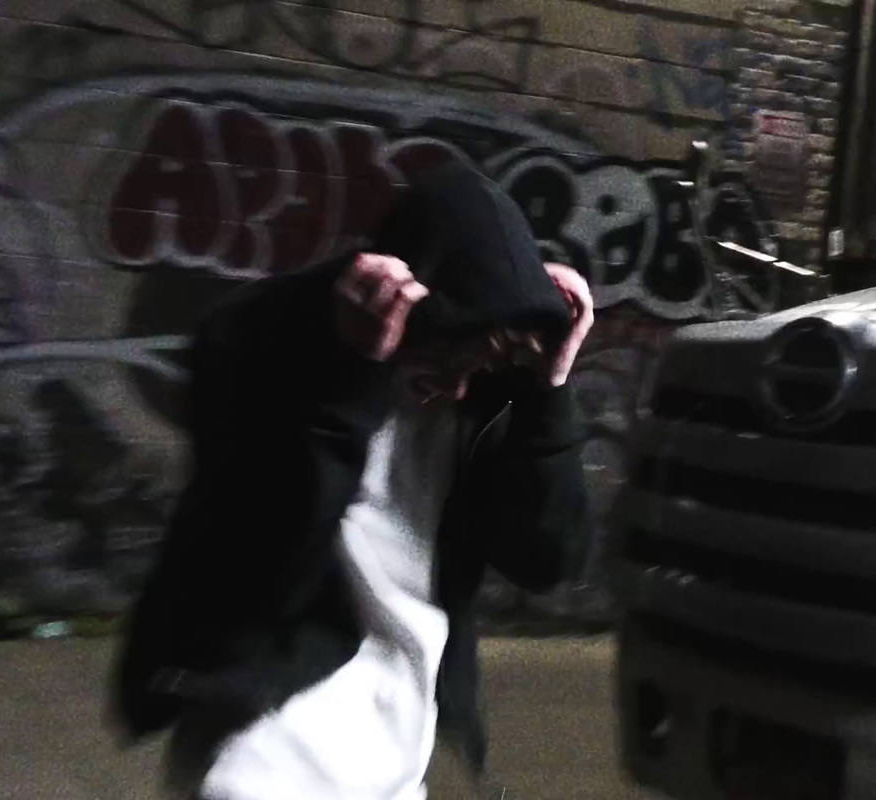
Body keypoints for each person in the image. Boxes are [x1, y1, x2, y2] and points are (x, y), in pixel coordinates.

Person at [110, 160, 597, 800]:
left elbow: (549, 561)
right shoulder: (259, 346)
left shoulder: (489, 391)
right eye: (444, 359)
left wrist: (547, 396)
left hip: (394, 757)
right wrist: (352, 385)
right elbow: (261, 573)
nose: (454, 387)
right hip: (267, 755)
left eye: (477, 368)